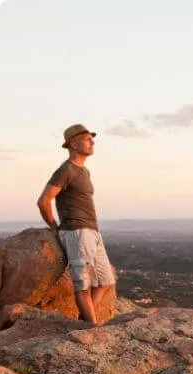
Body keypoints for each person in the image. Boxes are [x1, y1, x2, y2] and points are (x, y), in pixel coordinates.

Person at [36, 123, 117, 326]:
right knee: (83, 286)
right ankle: (92, 328)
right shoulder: (66, 170)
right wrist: (54, 226)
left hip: (91, 231)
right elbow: (44, 201)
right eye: (87, 139)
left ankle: (85, 322)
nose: (92, 142)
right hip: (77, 232)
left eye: (92, 139)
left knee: (106, 281)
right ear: (73, 143)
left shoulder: (84, 171)